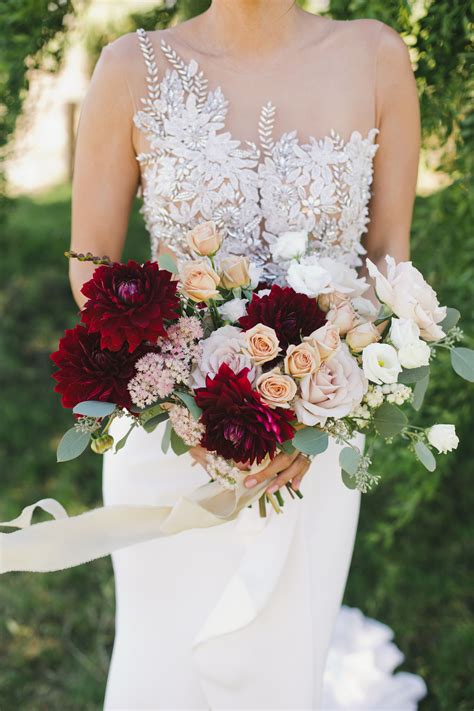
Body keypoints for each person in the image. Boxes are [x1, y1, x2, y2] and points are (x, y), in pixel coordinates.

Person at [69, 1, 422, 708]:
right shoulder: (129, 69)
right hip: (171, 445)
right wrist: (180, 404)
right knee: (158, 672)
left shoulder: (377, 57)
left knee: (281, 671)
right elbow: (91, 266)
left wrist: (326, 398)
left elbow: (387, 261)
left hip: (311, 449)